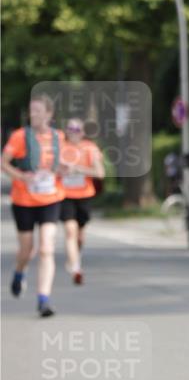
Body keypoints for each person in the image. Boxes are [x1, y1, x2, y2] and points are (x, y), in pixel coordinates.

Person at [1, 94, 65, 317]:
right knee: (27, 250)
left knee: (47, 247)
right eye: (31, 110)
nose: (33, 115)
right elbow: (3, 163)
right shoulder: (20, 137)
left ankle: (43, 299)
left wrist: (64, 169)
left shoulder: (59, 137)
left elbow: (64, 163)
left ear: (49, 114)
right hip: (24, 200)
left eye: (38, 110)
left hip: (51, 198)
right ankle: (19, 272)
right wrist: (21, 176)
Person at [57, 118, 105, 285]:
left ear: (82, 132)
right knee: (70, 230)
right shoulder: (60, 148)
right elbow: (48, 169)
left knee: (80, 236)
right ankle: (76, 268)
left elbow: (100, 173)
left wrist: (79, 169)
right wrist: (60, 170)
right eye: (70, 129)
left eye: (77, 129)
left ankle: (75, 256)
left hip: (84, 195)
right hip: (64, 195)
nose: (73, 132)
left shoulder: (90, 148)